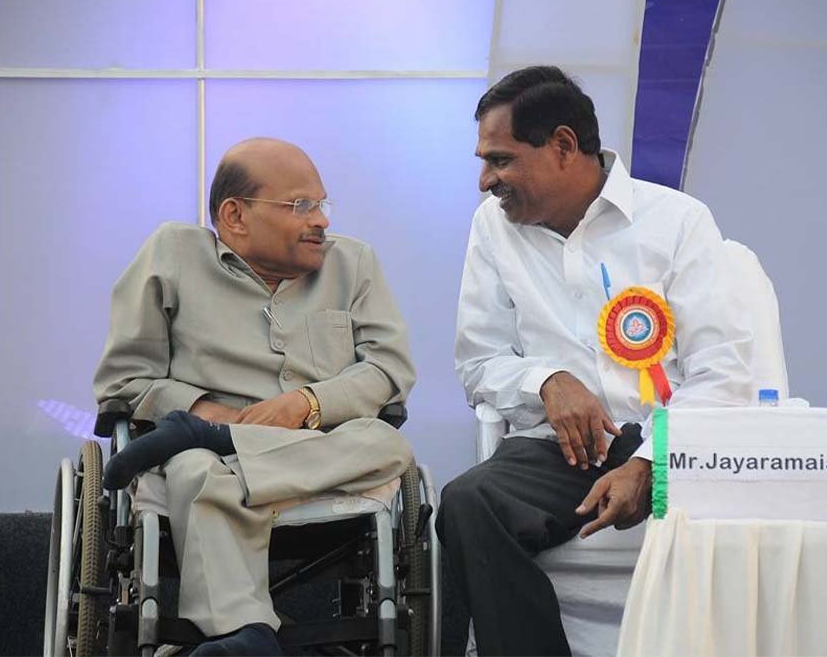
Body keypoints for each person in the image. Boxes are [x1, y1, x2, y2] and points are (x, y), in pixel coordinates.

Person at [436, 66, 754, 655]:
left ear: (562, 145)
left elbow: (724, 372)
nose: (485, 181)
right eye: (484, 162)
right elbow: (478, 361)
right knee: (468, 502)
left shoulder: (678, 221)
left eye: (500, 160)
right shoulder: (492, 228)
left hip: (674, 446)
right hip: (560, 452)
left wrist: (652, 462)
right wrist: (547, 380)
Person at [93, 137, 416, 656]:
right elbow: (124, 380)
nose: (321, 221)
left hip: (319, 446)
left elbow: (389, 371)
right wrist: (202, 409)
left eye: (321, 204)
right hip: (215, 460)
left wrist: (305, 404)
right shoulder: (172, 254)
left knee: (388, 445)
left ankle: (213, 440)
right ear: (235, 215)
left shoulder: (353, 264)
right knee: (194, 469)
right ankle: (246, 633)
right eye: (301, 205)